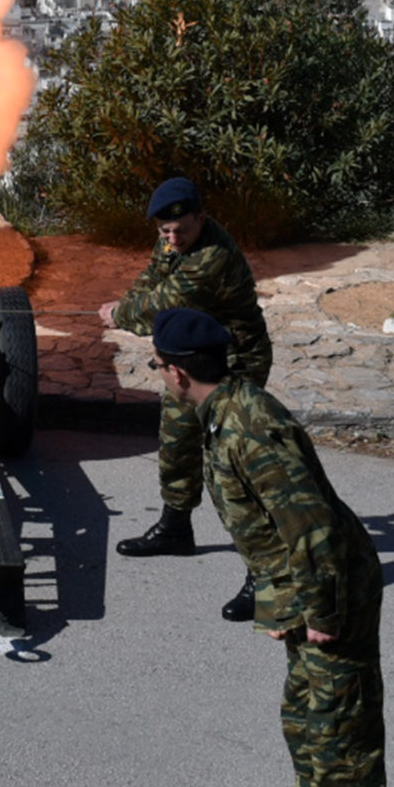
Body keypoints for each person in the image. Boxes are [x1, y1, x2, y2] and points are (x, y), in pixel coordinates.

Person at [152, 306, 387, 787]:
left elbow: (311, 526)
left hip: (331, 591)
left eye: (157, 367)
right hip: (302, 590)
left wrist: (321, 612)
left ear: (175, 374)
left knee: (343, 734)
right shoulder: (226, 411)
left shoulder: (248, 428)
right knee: (305, 718)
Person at [101, 177, 272, 622]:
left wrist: (120, 313)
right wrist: (127, 300)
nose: (172, 239)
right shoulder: (173, 241)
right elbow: (151, 279)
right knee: (177, 440)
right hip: (193, 359)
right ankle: (176, 528)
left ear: (201, 218)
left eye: (181, 230)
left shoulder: (212, 258)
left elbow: (162, 305)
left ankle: (266, 573)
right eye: (165, 232)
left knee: (230, 465)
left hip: (236, 362)